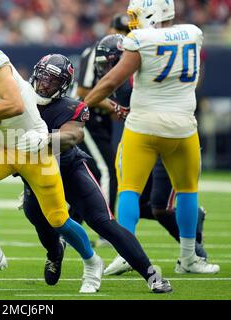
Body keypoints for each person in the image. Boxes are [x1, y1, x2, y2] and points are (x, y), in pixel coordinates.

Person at [0, 16, 104, 293]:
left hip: (31, 144)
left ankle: (91, 260)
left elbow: (13, 105)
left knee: (58, 220)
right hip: (1, 144)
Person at [83, 0, 219, 274]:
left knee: (129, 189)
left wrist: (84, 103)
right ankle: (189, 257)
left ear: (152, 12)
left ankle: (125, 254)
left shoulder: (140, 38)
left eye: (135, 15)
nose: (132, 21)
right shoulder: (193, 33)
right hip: (183, 126)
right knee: (187, 191)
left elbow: (111, 81)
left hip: (144, 125)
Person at [21, 53, 171, 293]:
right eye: (43, 78)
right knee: (42, 222)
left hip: (69, 168)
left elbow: (74, 135)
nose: (45, 84)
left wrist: (45, 139)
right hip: (36, 175)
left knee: (104, 223)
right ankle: (55, 253)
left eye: (53, 81)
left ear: (64, 86)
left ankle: (152, 275)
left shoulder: (70, 106)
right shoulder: (19, 101)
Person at [75, 14, 131, 247]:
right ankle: (107, 228)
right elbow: (82, 92)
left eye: (128, 31)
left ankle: (71, 222)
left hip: (101, 121)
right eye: (121, 29)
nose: (125, 35)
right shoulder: (96, 52)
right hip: (85, 118)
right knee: (106, 170)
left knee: (93, 174)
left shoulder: (130, 55)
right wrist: (114, 107)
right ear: (110, 28)